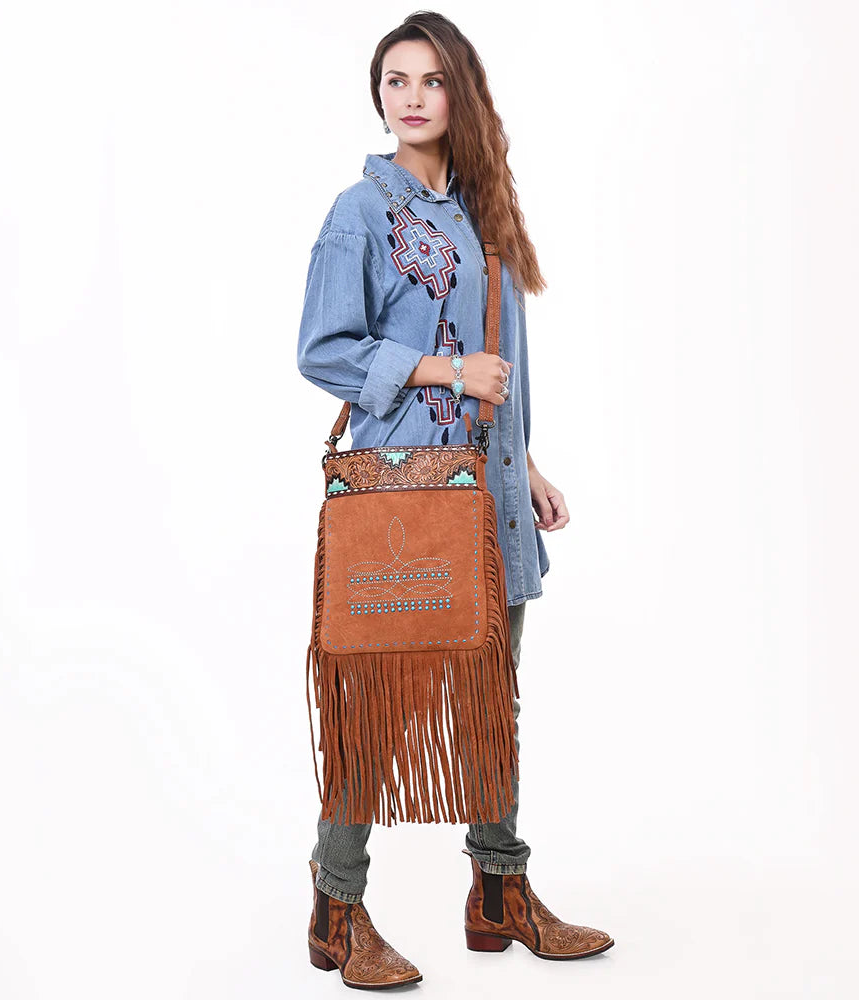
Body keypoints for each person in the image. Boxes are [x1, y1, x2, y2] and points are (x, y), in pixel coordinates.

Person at [296, 12, 613, 989]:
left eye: (430, 79)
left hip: (486, 496)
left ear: (458, 92)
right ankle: (337, 908)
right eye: (395, 80)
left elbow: (494, 370)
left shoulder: (481, 211)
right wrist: (443, 369)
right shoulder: (361, 211)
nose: (411, 96)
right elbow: (323, 349)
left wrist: (527, 465)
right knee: (377, 711)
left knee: (489, 704)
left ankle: (499, 892)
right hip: (406, 502)